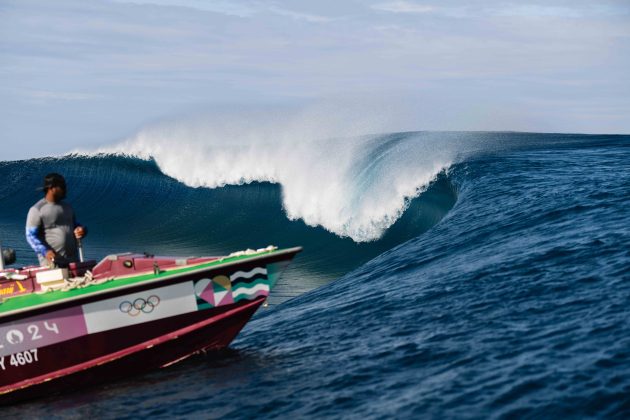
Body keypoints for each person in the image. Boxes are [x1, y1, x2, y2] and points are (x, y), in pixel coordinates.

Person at [25, 173, 87, 267]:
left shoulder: (67, 207)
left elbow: (75, 225)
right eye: (62, 186)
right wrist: (46, 251)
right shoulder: (37, 209)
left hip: (73, 261)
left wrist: (82, 230)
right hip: (52, 264)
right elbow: (31, 236)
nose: (65, 189)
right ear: (51, 188)